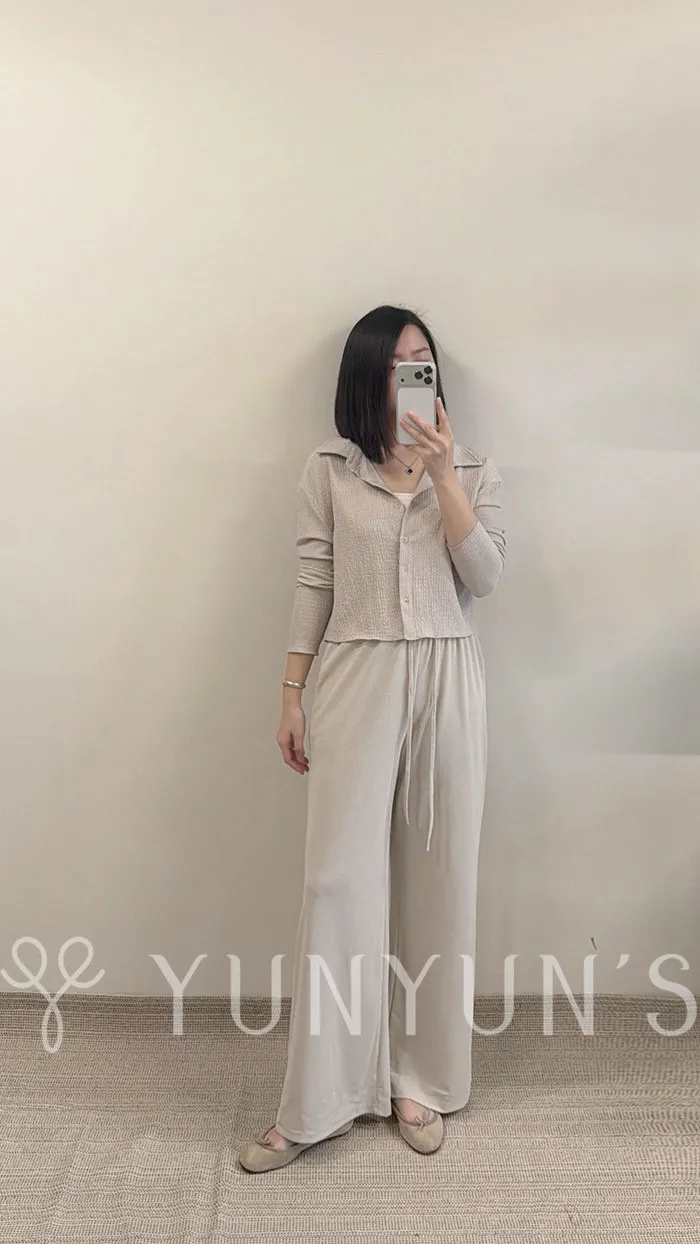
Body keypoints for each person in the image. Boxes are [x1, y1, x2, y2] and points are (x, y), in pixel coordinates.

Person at [238, 304, 506, 1173]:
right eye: (394, 363)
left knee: (438, 880)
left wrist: (447, 477)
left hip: (448, 678)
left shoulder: (472, 466)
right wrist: (290, 692)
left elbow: (486, 575)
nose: (411, 374)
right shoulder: (330, 469)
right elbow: (314, 578)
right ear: (365, 376)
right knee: (336, 885)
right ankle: (316, 1102)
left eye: (421, 359)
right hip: (354, 674)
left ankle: (416, 1079)